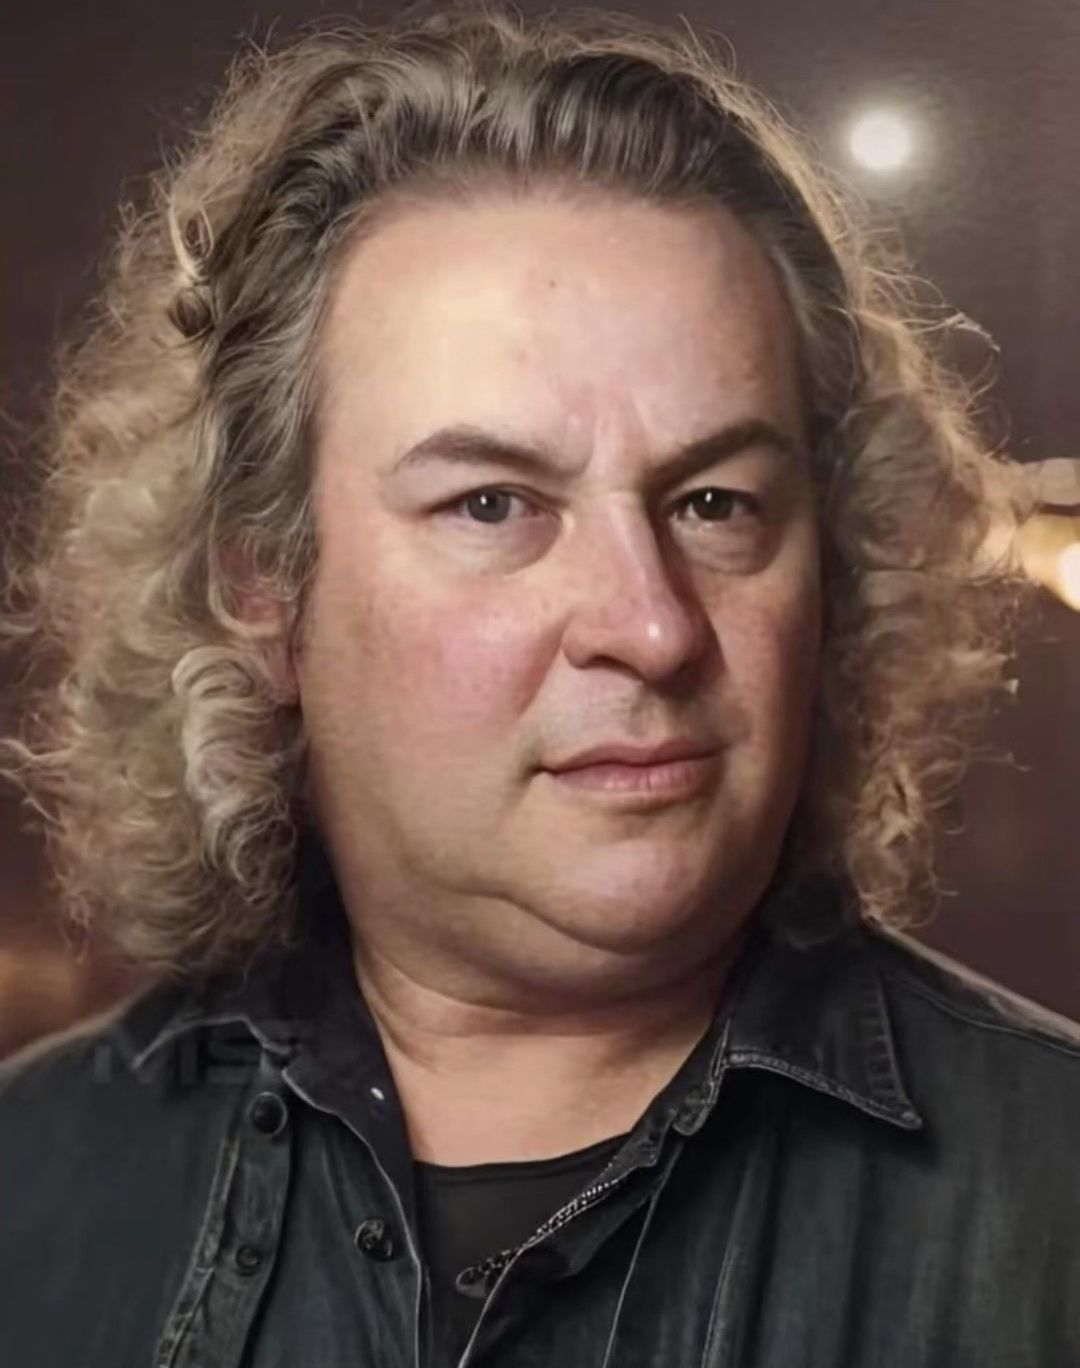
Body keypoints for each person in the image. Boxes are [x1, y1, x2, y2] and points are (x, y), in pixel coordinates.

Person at [1, 4, 1077, 1365]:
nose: (652, 626)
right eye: (494, 504)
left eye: (715, 503)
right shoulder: (30, 1193)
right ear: (264, 588)